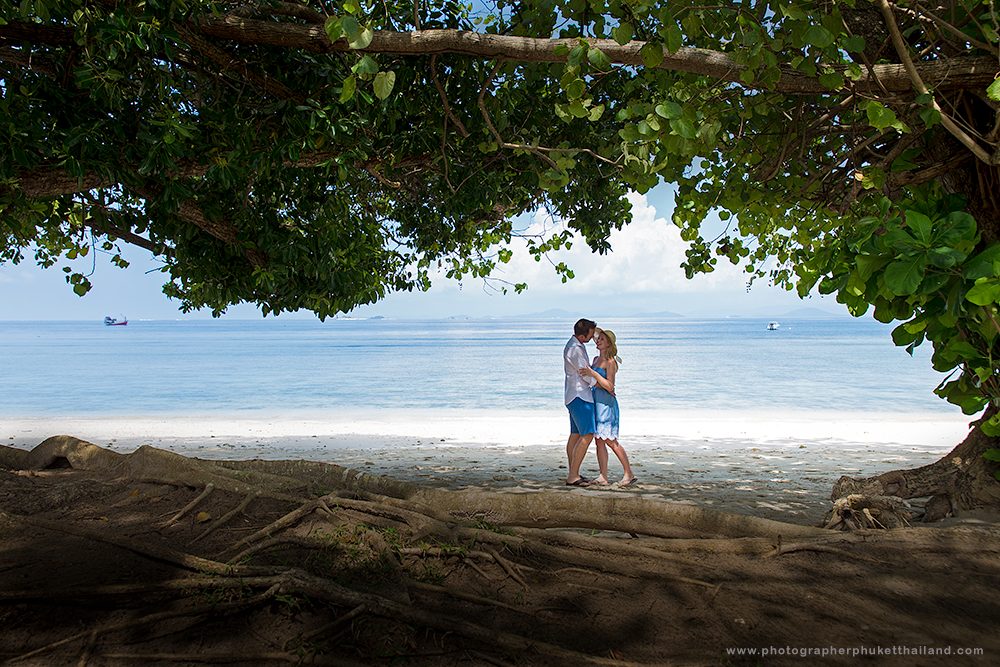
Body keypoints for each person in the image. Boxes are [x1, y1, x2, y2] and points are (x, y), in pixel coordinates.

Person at [579, 329, 637, 487]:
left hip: (606, 404)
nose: (598, 341)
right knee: (599, 440)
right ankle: (603, 476)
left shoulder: (610, 362)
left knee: (610, 440)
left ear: (609, 344)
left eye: (602, 339)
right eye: (598, 338)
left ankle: (629, 473)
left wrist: (593, 374)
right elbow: (598, 384)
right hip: (595, 401)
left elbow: (610, 386)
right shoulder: (596, 358)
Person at [563, 318, 597, 486]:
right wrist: (601, 384)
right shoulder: (575, 349)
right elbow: (585, 373)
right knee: (588, 434)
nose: (593, 338)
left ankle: (573, 472)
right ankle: (573, 475)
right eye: (590, 335)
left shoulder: (574, 344)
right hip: (580, 396)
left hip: (572, 395)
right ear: (583, 336)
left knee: (575, 435)